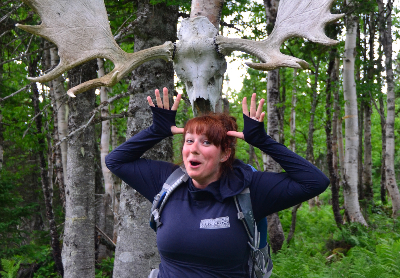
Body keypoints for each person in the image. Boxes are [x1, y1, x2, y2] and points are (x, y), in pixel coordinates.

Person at [105, 88, 330, 278]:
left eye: (206, 142)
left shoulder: (249, 189)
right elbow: (115, 161)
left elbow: (314, 182)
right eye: (189, 140)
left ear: (224, 154)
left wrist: (264, 142)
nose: (193, 148)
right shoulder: (168, 181)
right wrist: (156, 131)